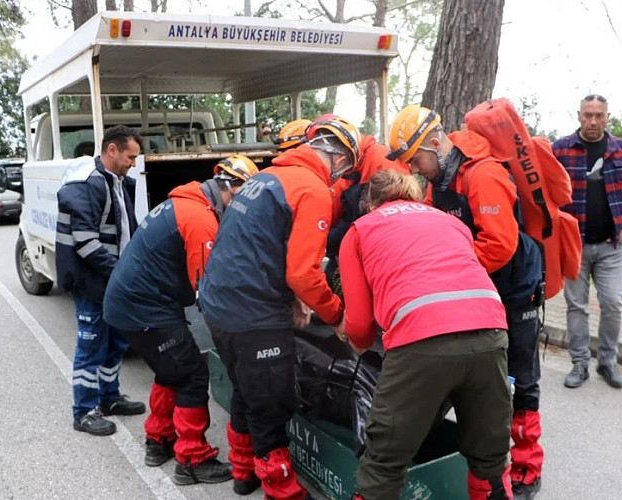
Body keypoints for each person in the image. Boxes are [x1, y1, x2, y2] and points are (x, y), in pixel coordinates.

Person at [198, 116, 360, 500]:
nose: (341, 177)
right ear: (337, 157)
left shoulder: (264, 179)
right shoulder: (311, 189)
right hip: (252, 313)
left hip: (219, 304)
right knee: (272, 401)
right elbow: (304, 273)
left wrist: (291, 299)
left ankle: (244, 472)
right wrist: (337, 315)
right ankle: (282, 488)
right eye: (345, 168)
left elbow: (258, 247)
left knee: (245, 388)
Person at [388, 105, 545, 499]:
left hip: (513, 289)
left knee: (520, 380)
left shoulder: (483, 174)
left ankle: (527, 466)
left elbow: (499, 245)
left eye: (416, 159)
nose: (415, 169)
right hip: (476, 289)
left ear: (435, 143)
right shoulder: (438, 180)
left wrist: (448, 274)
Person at [339, 170, 513, 500]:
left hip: (421, 342)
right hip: (490, 331)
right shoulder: (450, 222)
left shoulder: (361, 230)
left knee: (384, 462)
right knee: (490, 457)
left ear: (370, 202)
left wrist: (361, 345)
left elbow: (360, 324)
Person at [103, 155, 259, 485]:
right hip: (144, 307)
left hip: (132, 303)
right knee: (190, 374)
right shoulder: (201, 218)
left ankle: (158, 441)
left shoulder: (187, 202)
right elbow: (208, 290)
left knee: (170, 368)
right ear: (231, 190)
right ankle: (191, 459)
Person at [55, 125, 146, 436]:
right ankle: (83, 411)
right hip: (92, 282)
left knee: (116, 342)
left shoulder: (117, 181)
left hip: (111, 280)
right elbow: (85, 242)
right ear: (112, 151)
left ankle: (109, 399)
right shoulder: (90, 184)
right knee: (91, 345)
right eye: (130, 156)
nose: (134, 162)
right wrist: (120, 272)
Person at [552, 94, 622, 389]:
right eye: (588, 115)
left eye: (599, 115)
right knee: (576, 306)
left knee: (613, 304)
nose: (593, 121)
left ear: (607, 117)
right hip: (574, 245)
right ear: (579, 115)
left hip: (610, 246)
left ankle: (607, 362)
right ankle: (580, 364)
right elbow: (547, 194)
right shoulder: (561, 149)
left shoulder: (621, 149)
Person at [320, 115, 409, 277]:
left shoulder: (382, 161)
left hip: (384, 250)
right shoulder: (346, 170)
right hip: (358, 241)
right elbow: (339, 217)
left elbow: (398, 219)